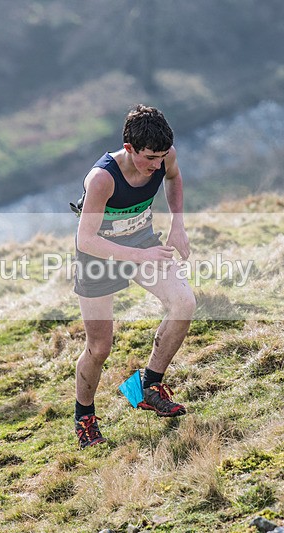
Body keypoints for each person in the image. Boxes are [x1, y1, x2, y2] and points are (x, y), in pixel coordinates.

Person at [72, 104, 196, 448]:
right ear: (129, 149)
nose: (157, 164)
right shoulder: (102, 179)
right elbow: (86, 239)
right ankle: (85, 419)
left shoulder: (165, 156)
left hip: (143, 244)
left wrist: (178, 224)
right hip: (98, 254)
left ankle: (147, 386)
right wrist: (137, 256)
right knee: (99, 347)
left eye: (161, 156)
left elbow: (173, 177)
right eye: (149, 158)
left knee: (184, 302)